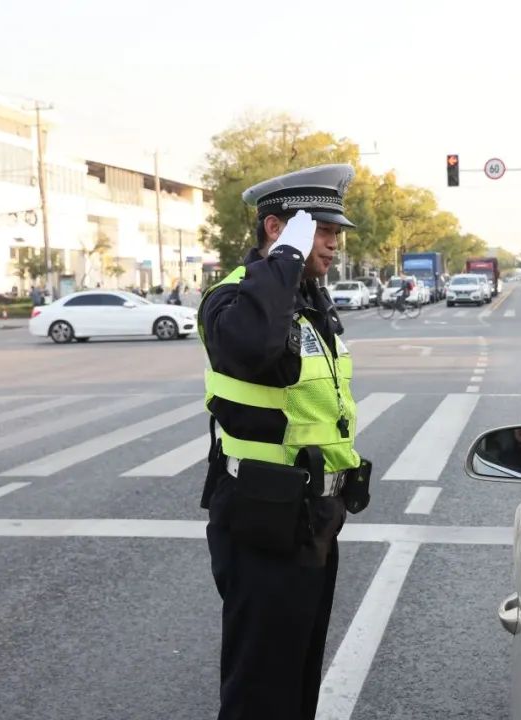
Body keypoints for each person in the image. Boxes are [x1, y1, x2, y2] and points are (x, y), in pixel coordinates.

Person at [197, 163, 373, 720]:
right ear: (277, 228)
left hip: (311, 517)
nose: (333, 243)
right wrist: (286, 260)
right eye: (320, 230)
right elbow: (251, 349)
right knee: (260, 690)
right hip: (262, 519)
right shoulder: (234, 299)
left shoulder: (304, 299)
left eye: (334, 232)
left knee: (297, 677)